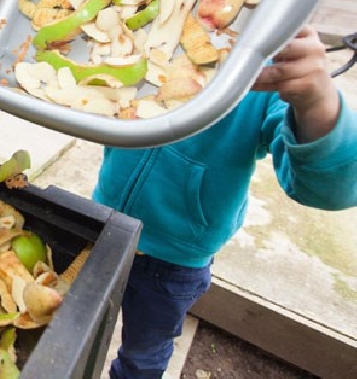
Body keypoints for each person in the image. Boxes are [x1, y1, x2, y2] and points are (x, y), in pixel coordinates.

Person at [91, 24, 357, 379]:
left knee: (144, 352)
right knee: (85, 323)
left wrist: (316, 101)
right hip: (104, 224)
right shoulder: (148, 26)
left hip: (173, 263)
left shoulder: (263, 67)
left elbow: (327, 188)